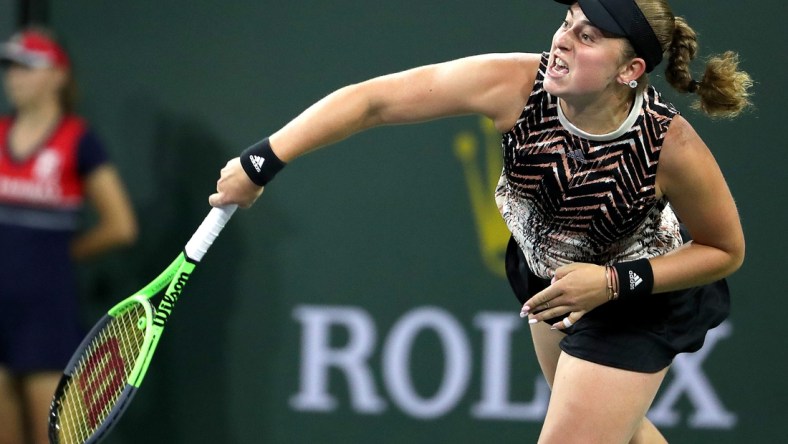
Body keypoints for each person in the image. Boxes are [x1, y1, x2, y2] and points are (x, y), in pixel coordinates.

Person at [209, 0, 751, 442]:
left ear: (630, 71)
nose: (562, 40)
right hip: (553, 280)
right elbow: (373, 101)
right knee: (619, 435)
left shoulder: (669, 145)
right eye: (567, 23)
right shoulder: (516, 84)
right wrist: (262, 162)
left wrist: (611, 283)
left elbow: (725, 250)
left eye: (588, 37)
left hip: (638, 296)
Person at [0, 26, 138, 444]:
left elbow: (121, 226)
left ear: (58, 75)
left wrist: (60, 256)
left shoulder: (77, 140)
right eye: (11, 67)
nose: (15, 77)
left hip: (47, 317)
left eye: (28, 67)